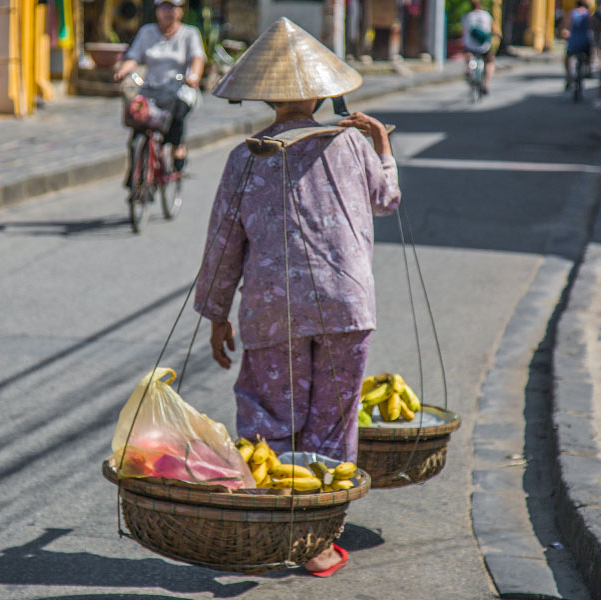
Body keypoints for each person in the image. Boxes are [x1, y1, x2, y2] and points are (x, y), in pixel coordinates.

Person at [194, 17, 400, 576]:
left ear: (266, 94)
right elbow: (387, 197)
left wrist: (216, 316)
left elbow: (223, 245)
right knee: (331, 422)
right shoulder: (354, 144)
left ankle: (267, 533)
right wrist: (383, 145)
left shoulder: (246, 158)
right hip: (347, 306)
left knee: (269, 417)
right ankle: (315, 542)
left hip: (270, 310)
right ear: (317, 91)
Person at [113, 0, 205, 172]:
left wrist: (193, 76)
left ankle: (178, 147)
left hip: (178, 88)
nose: (167, 12)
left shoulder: (190, 33)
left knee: (177, 114)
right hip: (151, 88)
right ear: (157, 11)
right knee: (137, 118)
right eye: (163, 7)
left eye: (172, 7)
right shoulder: (147, 32)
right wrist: (122, 71)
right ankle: (135, 173)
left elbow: (197, 58)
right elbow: (134, 56)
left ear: (180, 11)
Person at [462, 0, 497, 94]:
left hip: (470, 45)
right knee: (490, 61)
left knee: (468, 56)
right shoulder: (486, 15)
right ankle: (486, 83)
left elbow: (464, 30)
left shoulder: (467, 16)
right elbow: (493, 29)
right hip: (484, 46)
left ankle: (469, 69)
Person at [561, 0, 593, 90]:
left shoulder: (572, 13)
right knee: (590, 53)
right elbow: (592, 27)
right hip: (585, 40)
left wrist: (565, 33)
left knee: (567, 58)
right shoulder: (588, 14)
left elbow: (566, 27)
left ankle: (568, 77)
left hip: (574, 41)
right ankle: (588, 67)